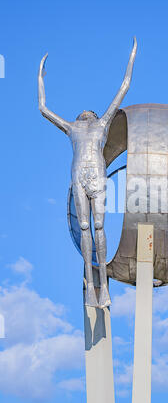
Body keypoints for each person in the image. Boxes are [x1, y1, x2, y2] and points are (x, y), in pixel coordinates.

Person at [38, 38, 137, 308]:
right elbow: (43, 109)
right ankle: (92, 283)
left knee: (99, 225)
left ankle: (104, 285)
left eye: (87, 112)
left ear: (94, 116)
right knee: (84, 227)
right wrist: (40, 76)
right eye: (81, 112)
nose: (83, 113)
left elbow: (124, 87)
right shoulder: (71, 128)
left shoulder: (102, 123)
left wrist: (131, 56)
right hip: (78, 176)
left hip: (97, 174)